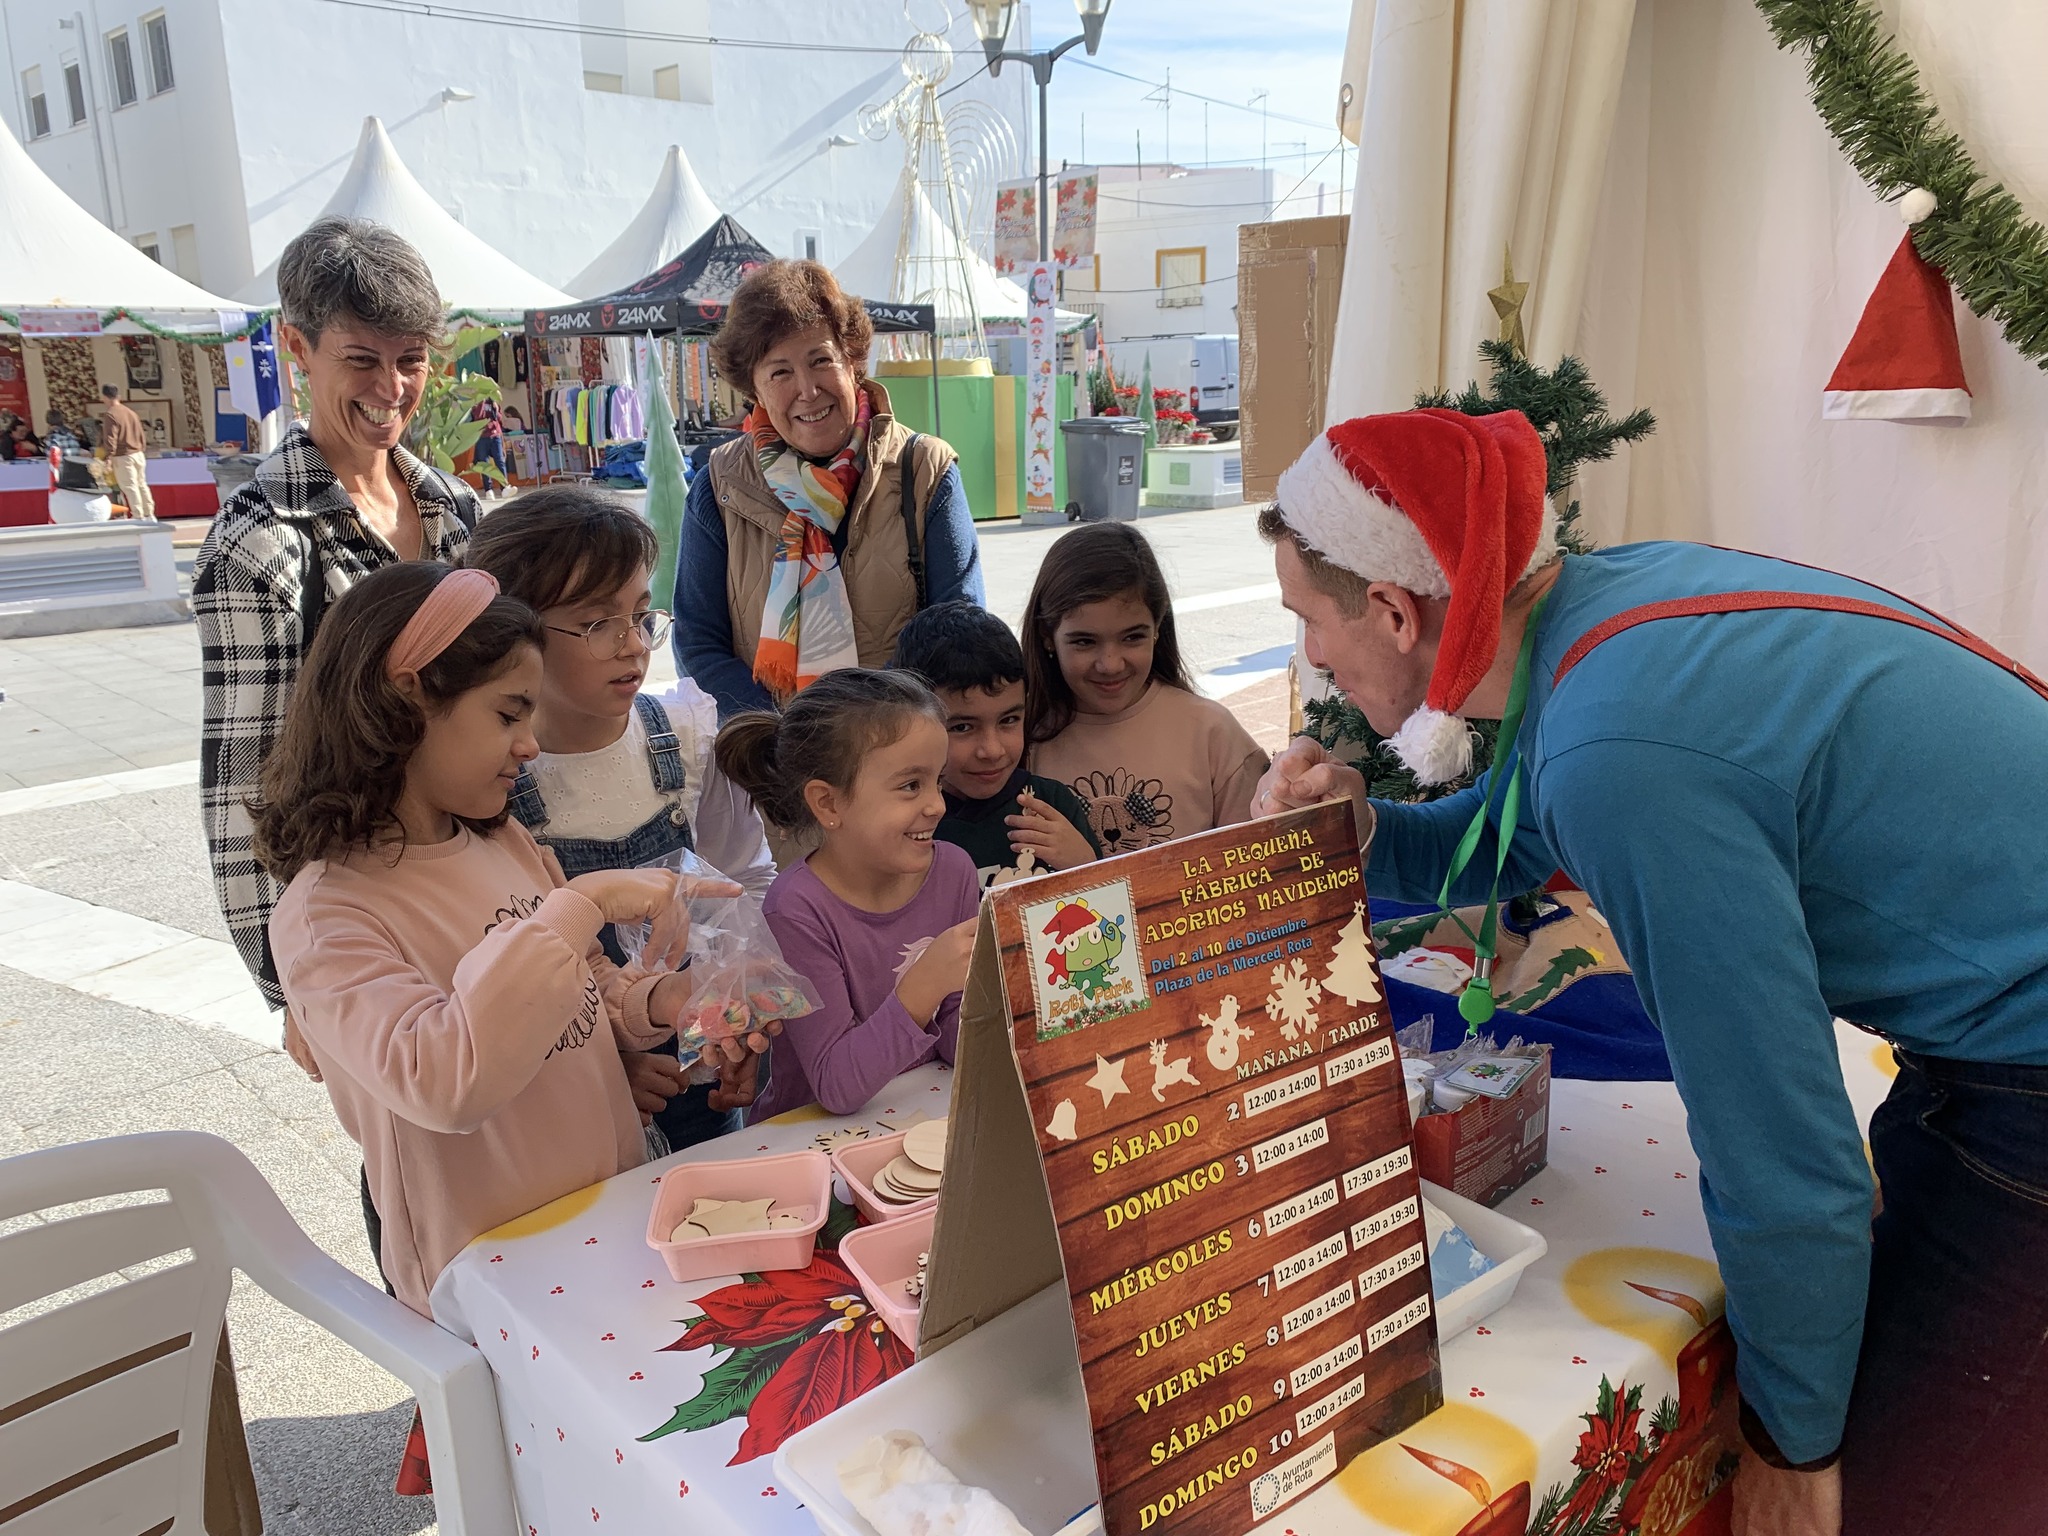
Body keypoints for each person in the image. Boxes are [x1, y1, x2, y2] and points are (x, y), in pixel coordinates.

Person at [1252, 407, 2048, 1536]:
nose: (1309, 658)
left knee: (1901, 1494)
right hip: (1987, 1034)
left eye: (1308, 622)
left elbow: (1779, 1152)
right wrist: (1364, 829)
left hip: (2022, 1062)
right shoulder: (1592, 615)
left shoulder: (1620, 750)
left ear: (1390, 609)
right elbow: (1524, 825)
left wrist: (1791, 1446)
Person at [255, 563, 729, 1313]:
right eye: (508, 714)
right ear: (407, 697)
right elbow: (445, 1081)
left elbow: (587, 983)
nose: (530, 745)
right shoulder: (326, 915)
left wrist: (662, 1003)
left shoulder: (499, 838)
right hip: (490, 1275)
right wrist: (583, 901)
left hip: (605, 1218)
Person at [194, 216, 480, 1031]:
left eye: (411, 360)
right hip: (360, 911)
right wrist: (292, 991)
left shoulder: (453, 509)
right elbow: (245, 782)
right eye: (362, 360)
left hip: (472, 881)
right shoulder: (260, 541)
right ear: (298, 346)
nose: (391, 388)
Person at [461, 483, 778, 1147]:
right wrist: (601, 1065)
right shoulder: (490, 778)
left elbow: (738, 880)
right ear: (512, 627)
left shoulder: (687, 735)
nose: (633, 644)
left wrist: (736, 1015)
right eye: (596, 622)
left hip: (699, 1073)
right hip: (567, 1104)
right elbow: (482, 966)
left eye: (640, 615)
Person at [672, 259, 984, 720]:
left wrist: (861, 734)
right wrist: (786, 737)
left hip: (899, 754)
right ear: (753, 389)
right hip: (769, 765)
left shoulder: (924, 470)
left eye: (821, 360)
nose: (808, 390)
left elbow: (960, 628)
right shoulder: (719, 486)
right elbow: (698, 643)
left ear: (853, 362)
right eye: (779, 372)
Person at [714, 669, 979, 1118]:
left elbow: (958, 1036)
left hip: (920, 1120)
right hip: (814, 1147)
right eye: (911, 785)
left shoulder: (954, 871)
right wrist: (925, 985)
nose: (938, 804)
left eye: (938, 780)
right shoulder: (796, 910)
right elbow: (835, 1087)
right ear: (829, 803)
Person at [1022, 521, 1268, 856]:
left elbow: (1260, 867)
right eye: (1084, 641)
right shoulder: (1018, 742)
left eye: (1132, 637)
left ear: (1157, 627)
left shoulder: (1212, 734)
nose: (1110, 663)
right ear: (1047, 636)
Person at [888, 599, 1100, 888]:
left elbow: (1109, 921)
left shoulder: (1052, 806)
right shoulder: (901, 822)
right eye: (962, 727)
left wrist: (1084, 865)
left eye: (1009, 720)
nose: (992, 750)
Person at [95, 382, 153, 517]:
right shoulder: (131, 412)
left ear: (105, 397)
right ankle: (149, 513)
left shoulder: (110, 414)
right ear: (118, 396)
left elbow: (110, 438)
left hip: (123, 456)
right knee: (142, 485)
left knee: (130, 487)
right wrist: (141, 448)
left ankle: (139, 515)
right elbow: (141, 433)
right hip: (138, 453)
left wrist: (108, 457)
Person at [468, 395, 508, 497]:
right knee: (484, 463)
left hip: (495, 434)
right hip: (482, 436)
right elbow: (478, 416)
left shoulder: (493, 401)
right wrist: (481, 402)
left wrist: (496, 408)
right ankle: (488, 489)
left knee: (500, 460)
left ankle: (505, 487)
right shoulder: (476, 402)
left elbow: (499, 418)